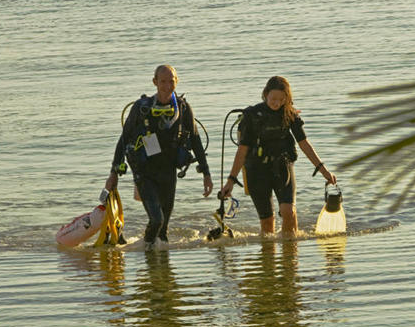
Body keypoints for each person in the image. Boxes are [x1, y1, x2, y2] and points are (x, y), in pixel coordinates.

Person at [105, 65, 212, 250]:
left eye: (171, 81)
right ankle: (146, 251)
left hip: (168, 170)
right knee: (156, 219)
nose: (167, 85)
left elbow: (195, 140)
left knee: (163, 229)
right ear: (155, 82)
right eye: (163, 81)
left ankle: (160, 272)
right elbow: (123, 140)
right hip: (144, 171)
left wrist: (206, 174)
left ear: (176, 82)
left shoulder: (183, 109)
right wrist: (114, 173)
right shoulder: (141, 108)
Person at [219, 76, 336, 236]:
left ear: (286, 98)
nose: (276, 103)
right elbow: (242, 151)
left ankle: (290, 257)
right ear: (266, 94)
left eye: (281, 99)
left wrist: (323, 170)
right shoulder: (252, 116)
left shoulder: (290, 114)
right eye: (273, 98)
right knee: (267, 224)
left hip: (282, 168)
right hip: (257, 171)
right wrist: (230, 181)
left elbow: (304, 144)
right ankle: (268, 259)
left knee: (288, 211)